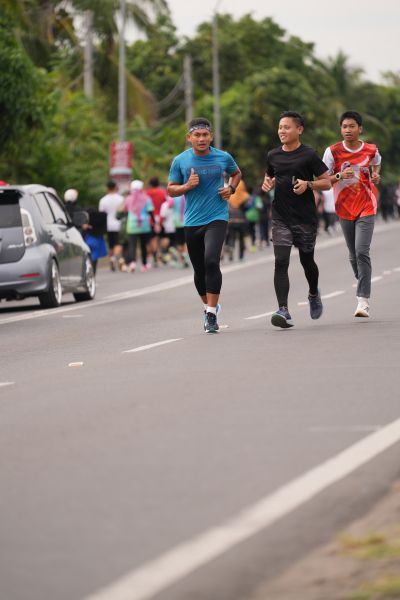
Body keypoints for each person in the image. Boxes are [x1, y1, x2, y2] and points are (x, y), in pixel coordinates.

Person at [167, 117, 242, 333]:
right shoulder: (180, 160)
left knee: (211, 260)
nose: (201, 139)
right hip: (192, 220)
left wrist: (231, 188)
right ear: (189, 137)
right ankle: (208, 305)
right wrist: (187, 186)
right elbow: (171, 189)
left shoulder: (223, 156)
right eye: (197, 135)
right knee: (199, 269)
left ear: (211, 136)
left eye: (205, 135)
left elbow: (236, 173)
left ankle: (211, 314)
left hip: (217, 216)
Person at [262, 111, 331, 328]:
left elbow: (327, 182)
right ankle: (283, 310)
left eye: (287, 127)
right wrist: (267, 183)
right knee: (281, 261)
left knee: (307, 261)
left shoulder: (309, 155)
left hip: (304, 218)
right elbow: (270, 175)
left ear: (299, 129)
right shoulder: (273, 155)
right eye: (280, 127)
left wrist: (308, 184)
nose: (282, 131)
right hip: (280, 217)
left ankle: (313, 293)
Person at [322, 110, 381, 318]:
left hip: (367, 205)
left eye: (352, 126)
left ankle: (363, 300)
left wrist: (375, 175)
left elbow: (376, 164)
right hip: (344, 207)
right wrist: (339, 175)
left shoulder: (371, 149)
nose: (348, 130)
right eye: (344, 126)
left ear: (360, 129)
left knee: (361, 250)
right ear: (341, 129)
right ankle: (363, 279)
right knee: (353, 254)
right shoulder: (332, 152)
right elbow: (323, 180)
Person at [123, 179, 155, 273]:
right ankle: (144, 264)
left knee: (132, 245)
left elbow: (125, 211)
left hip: (131, 225)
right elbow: (150, 212)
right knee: (143, 245)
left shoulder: (128, 198)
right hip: (144, 225)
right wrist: (154, 222)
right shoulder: (146, 198)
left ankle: (132, 263)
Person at [98, 180, 125, 271]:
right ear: (115, 187)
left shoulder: (103, 200)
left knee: (111, 244)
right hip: (119, 224)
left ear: (107, 188)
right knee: (118, 243)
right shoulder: (121, 199)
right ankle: (117, 259)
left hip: (108, 225)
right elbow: (123, 211)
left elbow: (101, 214)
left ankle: (113, 259)